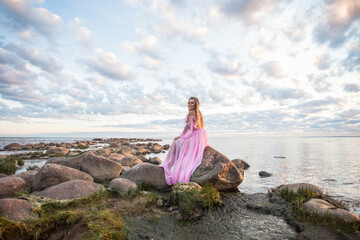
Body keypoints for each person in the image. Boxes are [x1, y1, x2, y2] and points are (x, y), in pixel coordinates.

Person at [161, 97, 208, 185]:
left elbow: (188, 127)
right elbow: (200, 126)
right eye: (189, 102)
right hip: (201, 135)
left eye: (192, 103)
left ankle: (167, 164)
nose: (190, 104)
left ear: (196, 104)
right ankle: (168, 164)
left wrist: (181, 136)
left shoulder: (190, 113)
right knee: (192, 154)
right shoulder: (199, 113)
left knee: (176, 143)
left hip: (195, 136)